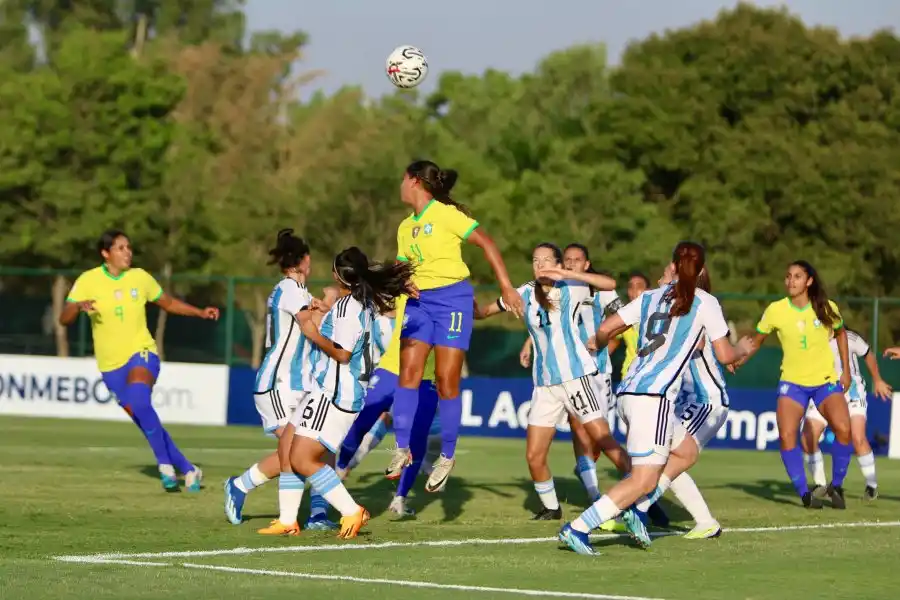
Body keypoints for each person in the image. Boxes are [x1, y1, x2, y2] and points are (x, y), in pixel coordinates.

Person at [558, 242, 753, 555]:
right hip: (654, 398)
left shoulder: (649, 296)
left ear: (673, 266)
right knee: (642, 480)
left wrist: (594, 345)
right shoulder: (705, 302)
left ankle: (639, 510)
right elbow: (726, 354)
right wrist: (743, 348)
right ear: (701, 269)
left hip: (628, 393)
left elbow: (607, 328)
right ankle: (579, 528)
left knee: (687, 451)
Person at [387, 160, 525, 493]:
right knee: (409, 373)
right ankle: (402, 448)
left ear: (416, 182)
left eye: (404, 179)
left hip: (453, 300)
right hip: (420, 304)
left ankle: (447, 455)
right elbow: (403, 268)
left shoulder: (446, 214)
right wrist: (402, 283)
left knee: (447, 381)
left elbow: (487, 244)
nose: (401, 185)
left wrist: (506, 287)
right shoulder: (405, 227)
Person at [476, 243, 629, 521]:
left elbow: (609, 283)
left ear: (558, 263)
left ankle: (641, 490)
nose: (541, 265)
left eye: (547, 260)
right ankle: (551, 507)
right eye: (536, 260)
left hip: (575, 380)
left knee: (603, 441)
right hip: (544, 386)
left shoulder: (572, 287)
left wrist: (567, 273)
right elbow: (483, 312)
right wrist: (459, 299)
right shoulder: (523, 293)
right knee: (534, 455)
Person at [59, 229, 218, 491]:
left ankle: (165, 466)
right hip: (110, 367)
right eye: (121, 248)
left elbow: (168, 303)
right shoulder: (88, 280)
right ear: (105, 253)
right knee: (143, 417)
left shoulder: (140, 278)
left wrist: (200, 312)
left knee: (140, 400)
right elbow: (64, 320)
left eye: (129, 247)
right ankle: (189, 469)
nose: (127, 253)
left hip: (142, 352)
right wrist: (76, 306)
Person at [288, 247, 413, 539]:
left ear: (338, 274)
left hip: (335, 392)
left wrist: (312, 333)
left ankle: (350, 511)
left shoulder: (349, 306)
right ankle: (293, 517)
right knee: (300, 456)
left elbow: (343, 354)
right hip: (341, 390)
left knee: (303, 459)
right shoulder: (364, 302)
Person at [223, 230, 338, 534]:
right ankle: (240, 486)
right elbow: (310, 328)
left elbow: (315, 316)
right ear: (305, 260)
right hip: (278, 383)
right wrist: (336, 350)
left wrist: (325, 303)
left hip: (299, 383)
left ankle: (317, 513)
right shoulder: (290, 289)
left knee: (318, 447)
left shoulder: (295, 291)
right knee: (296, 451)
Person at [732, 261, 853, 510]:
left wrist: (846, 370)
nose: (791, 281)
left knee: (843, 429)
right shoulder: (776, 310)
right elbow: (757, 340)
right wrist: (738, 359)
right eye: (788, 276)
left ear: (809, 281)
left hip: (825, 382)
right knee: (787, 436)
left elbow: (841, 333)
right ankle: (805, 494)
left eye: (797, 277)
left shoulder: (826, 308)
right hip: (792, 384)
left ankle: (837, 485)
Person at [629, 263, 730, 540]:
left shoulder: (696, 308)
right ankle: (705, 522)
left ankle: (638, 507)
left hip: (706, 401)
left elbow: (697, 342)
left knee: (670, 458)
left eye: (666, 272)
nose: (660, 275)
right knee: (664, 457)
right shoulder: (676, 307)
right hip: (687, 401)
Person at [336, 295, 442, 517]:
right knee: (363, 420)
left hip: (426, 379)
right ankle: (339, 469)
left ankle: (400, 498)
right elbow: (379, 290)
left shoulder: (449, 303)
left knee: (418, 441)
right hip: (392, 370)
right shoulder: (408, 291)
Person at [801, 329, 892, 500]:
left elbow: (868, 354)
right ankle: (821, 485)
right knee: (808, 437)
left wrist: (877, 379)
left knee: (858, 439)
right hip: (823, 390)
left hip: (852, 392)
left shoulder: (848, 336)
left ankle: (871, 485)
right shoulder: (810, 338)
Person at [607, 272, 650, 379]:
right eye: (630, 287)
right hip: (628, 377)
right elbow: (613, 340)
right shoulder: (624, 316)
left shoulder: (658, 314)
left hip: (650, 376)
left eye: (639, 287)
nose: (634, 291)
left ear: (649, 291)